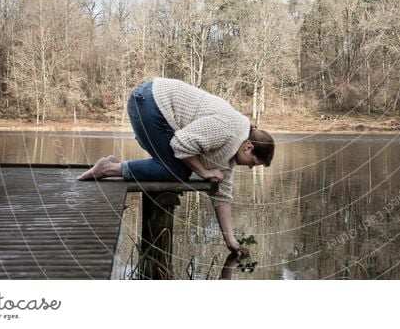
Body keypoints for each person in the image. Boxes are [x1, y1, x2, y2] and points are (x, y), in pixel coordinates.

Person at [78, 78, 274, 257]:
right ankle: (108, 169)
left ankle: (112, 165)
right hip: (149, 103)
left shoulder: (233, 148)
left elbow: (222, 193)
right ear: (249, 147)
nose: (250, 168)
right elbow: (181, 144)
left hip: (150, 104)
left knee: (176, 167)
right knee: (178, 170)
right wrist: (204, 172)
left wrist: (230, 240)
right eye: (254, 163)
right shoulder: (229, 129)